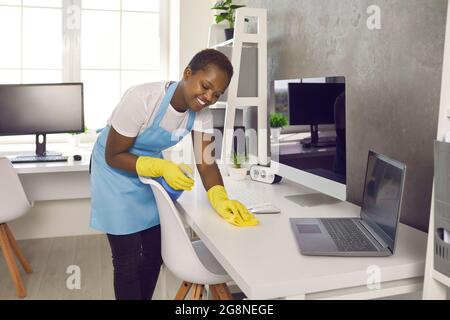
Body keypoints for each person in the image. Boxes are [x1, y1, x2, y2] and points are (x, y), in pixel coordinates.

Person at [90, 49, 259, 300]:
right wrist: (161, 167)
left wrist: (220, 198)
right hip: (113, 170)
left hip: (148, 170)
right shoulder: (143, 98)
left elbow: (206, 164)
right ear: (187, 73)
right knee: (126, 260)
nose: (208, 97)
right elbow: (114, 155)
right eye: (205, 86)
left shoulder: (202, 114)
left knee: (154, 254)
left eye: (216, 94)